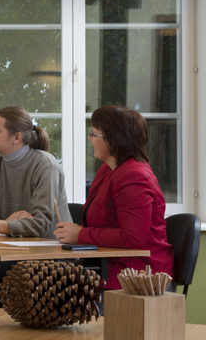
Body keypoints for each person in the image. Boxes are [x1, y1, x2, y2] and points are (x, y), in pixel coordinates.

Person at [0, 106, 71, 307]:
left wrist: (2, 226)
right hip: (12, 250)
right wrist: (2, 223)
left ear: (16, 138)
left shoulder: (45, 166)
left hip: (50, 254)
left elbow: (43, 224)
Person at [54, 105, 174, 290]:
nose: (89, 138)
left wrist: (80, 234)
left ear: (114, 139)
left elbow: (132, 238)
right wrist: (76, 233)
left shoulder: (134, 176)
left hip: (136, 276)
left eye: (94, 134)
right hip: (107, 266)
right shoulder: (107, 170)